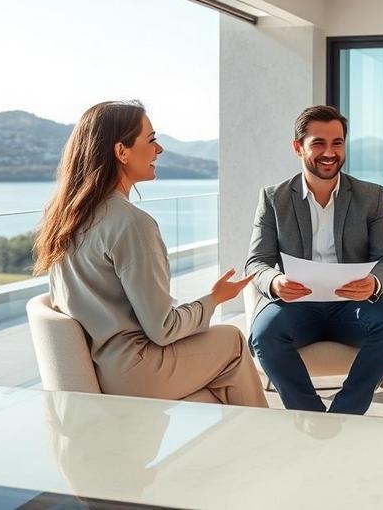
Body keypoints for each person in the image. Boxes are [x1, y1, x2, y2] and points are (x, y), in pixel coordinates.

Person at [34, 100, 267, 408]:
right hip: (136, 373)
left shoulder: (65, 216)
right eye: (152, 140)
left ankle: (241, 445)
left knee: (221, 384)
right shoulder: (132, 224)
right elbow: (164, 329)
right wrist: (214, 299)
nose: (159, 150)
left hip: (98, 370)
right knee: (233, 342)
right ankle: (269, 447)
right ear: (122, 152)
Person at [245, 105, 383, 415]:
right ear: (298, 148)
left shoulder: (371, 197)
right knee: (264, 335)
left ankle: (345, 414)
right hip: (296, 304)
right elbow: (257, 262)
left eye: (337, 143)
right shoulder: (273, 198)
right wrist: (275, 282)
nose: (329, 152)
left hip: (354, 305)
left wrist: (373, 283)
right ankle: (310, 416)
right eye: (318, 143)